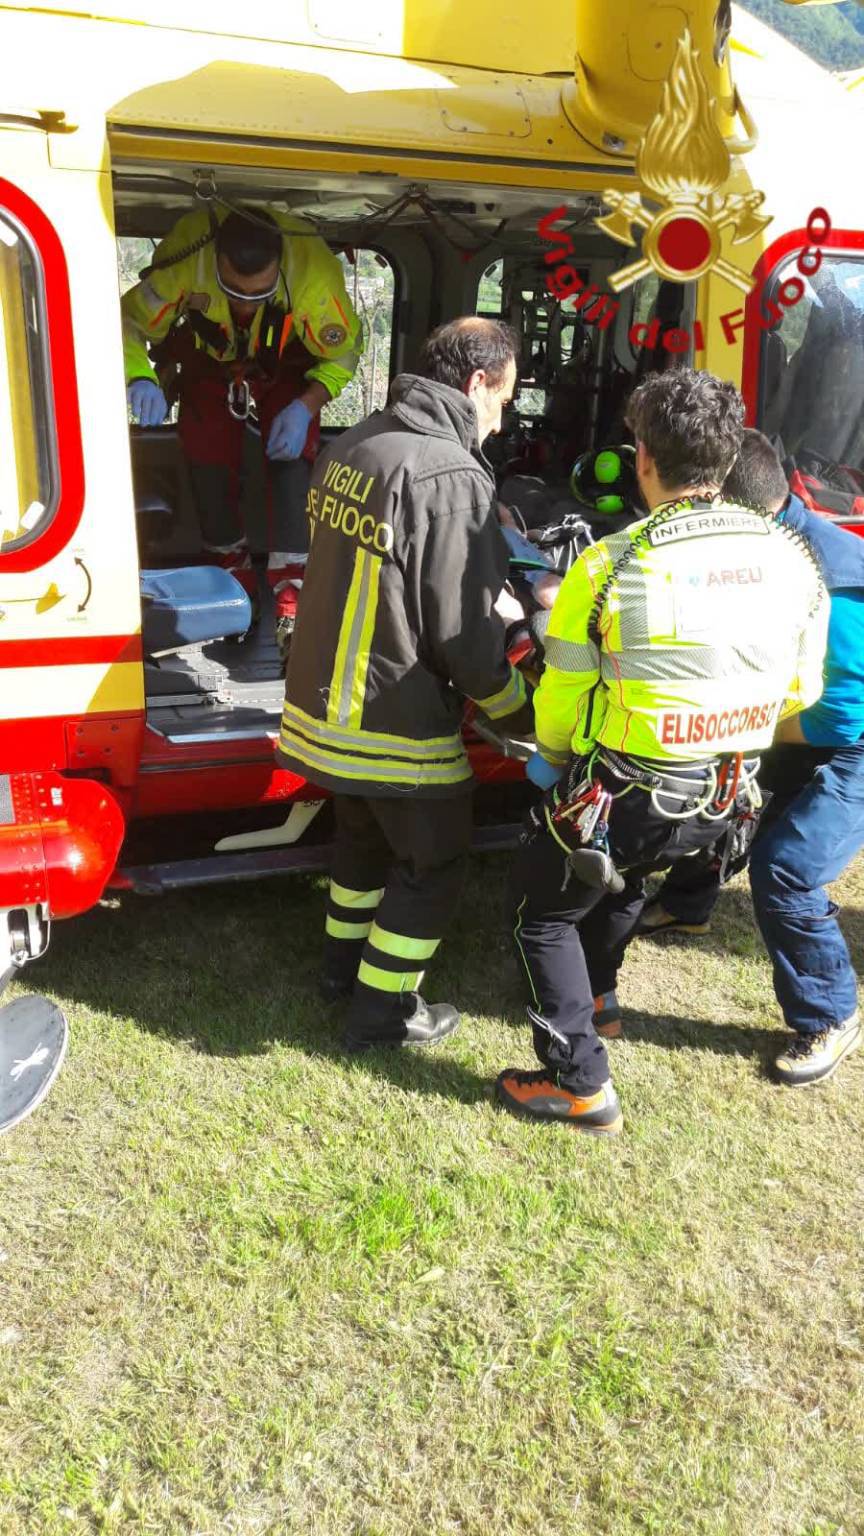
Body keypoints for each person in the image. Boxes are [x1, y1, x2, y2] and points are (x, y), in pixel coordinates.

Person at [495, 371, 829, 1134]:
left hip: (625, 789)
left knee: (538, 914)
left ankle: (578, 1082)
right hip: (729, 791)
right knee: (629, 878)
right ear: (727, 456)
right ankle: (603, 998)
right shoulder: (794, 559)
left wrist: (548, 762)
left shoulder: (608, 565)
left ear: (641, 458)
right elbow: (801, 692)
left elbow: (563, 696)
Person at [278, 317, 534, 1052]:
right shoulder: (450, 475)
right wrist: (519, 713)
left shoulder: (355, 440)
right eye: (504, 398)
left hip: (323, 704)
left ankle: (339, 971)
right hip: (392, 715)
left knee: (361, 839)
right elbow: (465, 634)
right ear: (478, 382)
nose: (502, 416)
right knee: (434, 859)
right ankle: (381, 1010)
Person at [642, 430, 864, 1086]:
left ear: (732, 509)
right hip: (808, 718)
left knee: (787, 868)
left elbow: (842, 711)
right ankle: (689, 904)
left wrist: (743, 727)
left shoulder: (830, 573)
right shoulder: (767, 542)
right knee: (719, 785)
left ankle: (829, 1014)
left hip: (851, 736)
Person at [122, 203, 362, 653]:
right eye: (233, 294)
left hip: (286, 361)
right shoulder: (183, 261)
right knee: (207, 455)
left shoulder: (314, 276)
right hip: (207, 361)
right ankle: (231, 587)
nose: (242, 307)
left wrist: (306, 406)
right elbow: (128, 322)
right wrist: (139, 374)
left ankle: (292, 602)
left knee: (293, 464)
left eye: (256, 298)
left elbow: (343, 353)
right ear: (215, 265)